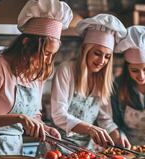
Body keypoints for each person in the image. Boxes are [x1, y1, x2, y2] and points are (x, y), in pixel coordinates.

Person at [0, 0, 73, 156]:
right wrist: (19, 118)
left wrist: (45, 129)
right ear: (27, 44)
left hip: (14, 154)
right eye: (46, 53)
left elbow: (34, 115)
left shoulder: (36, 74)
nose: (48, 60)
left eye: (52, 55)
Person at [51, 14, 130, 149]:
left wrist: (118, 136)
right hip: (59, 145)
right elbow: (58, 114)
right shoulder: (67, 70)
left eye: (107, 57)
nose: (101, 61)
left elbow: (105, 119)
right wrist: (90, 128)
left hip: (86, 150)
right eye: (97, 53)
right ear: (85, 50)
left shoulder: (103, 79)